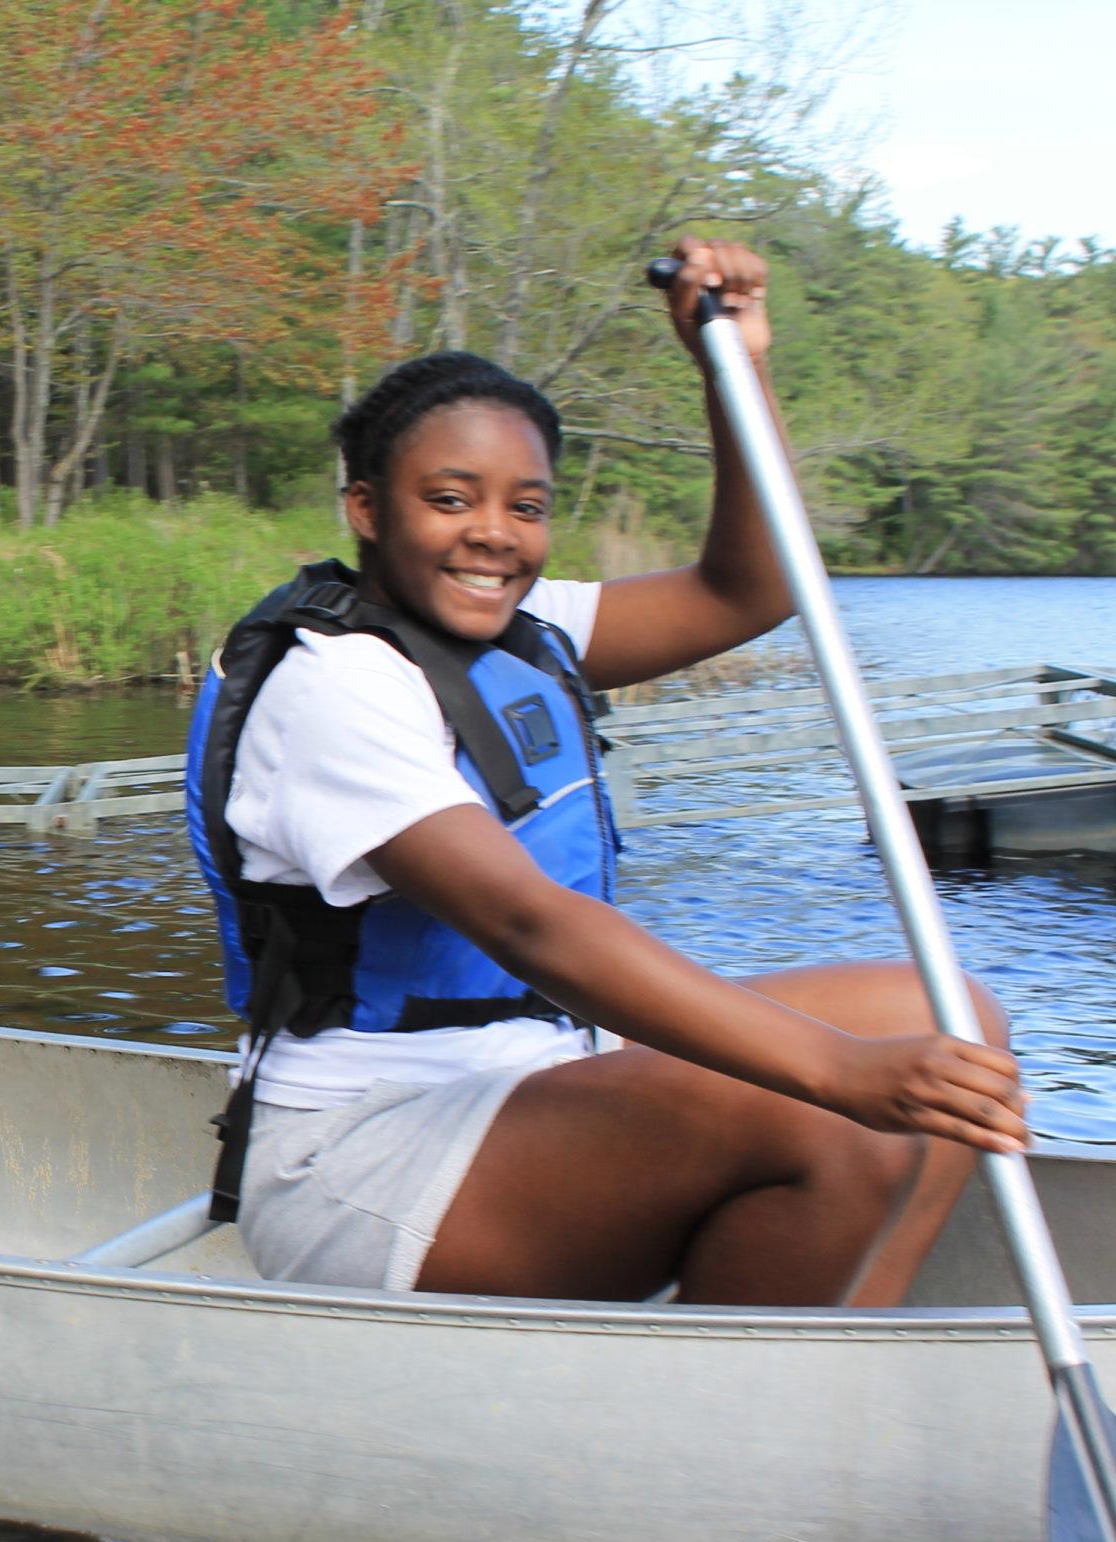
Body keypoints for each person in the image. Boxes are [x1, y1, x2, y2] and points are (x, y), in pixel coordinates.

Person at [192, 237, 1022, 1308]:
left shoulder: (525, 628)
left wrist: (734, 366)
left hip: (536, 1091)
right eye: (450, 500)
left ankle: (829, 1374)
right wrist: (837, 1069)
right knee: (822, 1103)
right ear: (366, 509)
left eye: (524, 506)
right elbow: (532, 927)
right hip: (361, 1158)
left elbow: (749, 587)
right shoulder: (331, 688)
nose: (491, 535)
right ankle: (749, 1418)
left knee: (953, 1022)